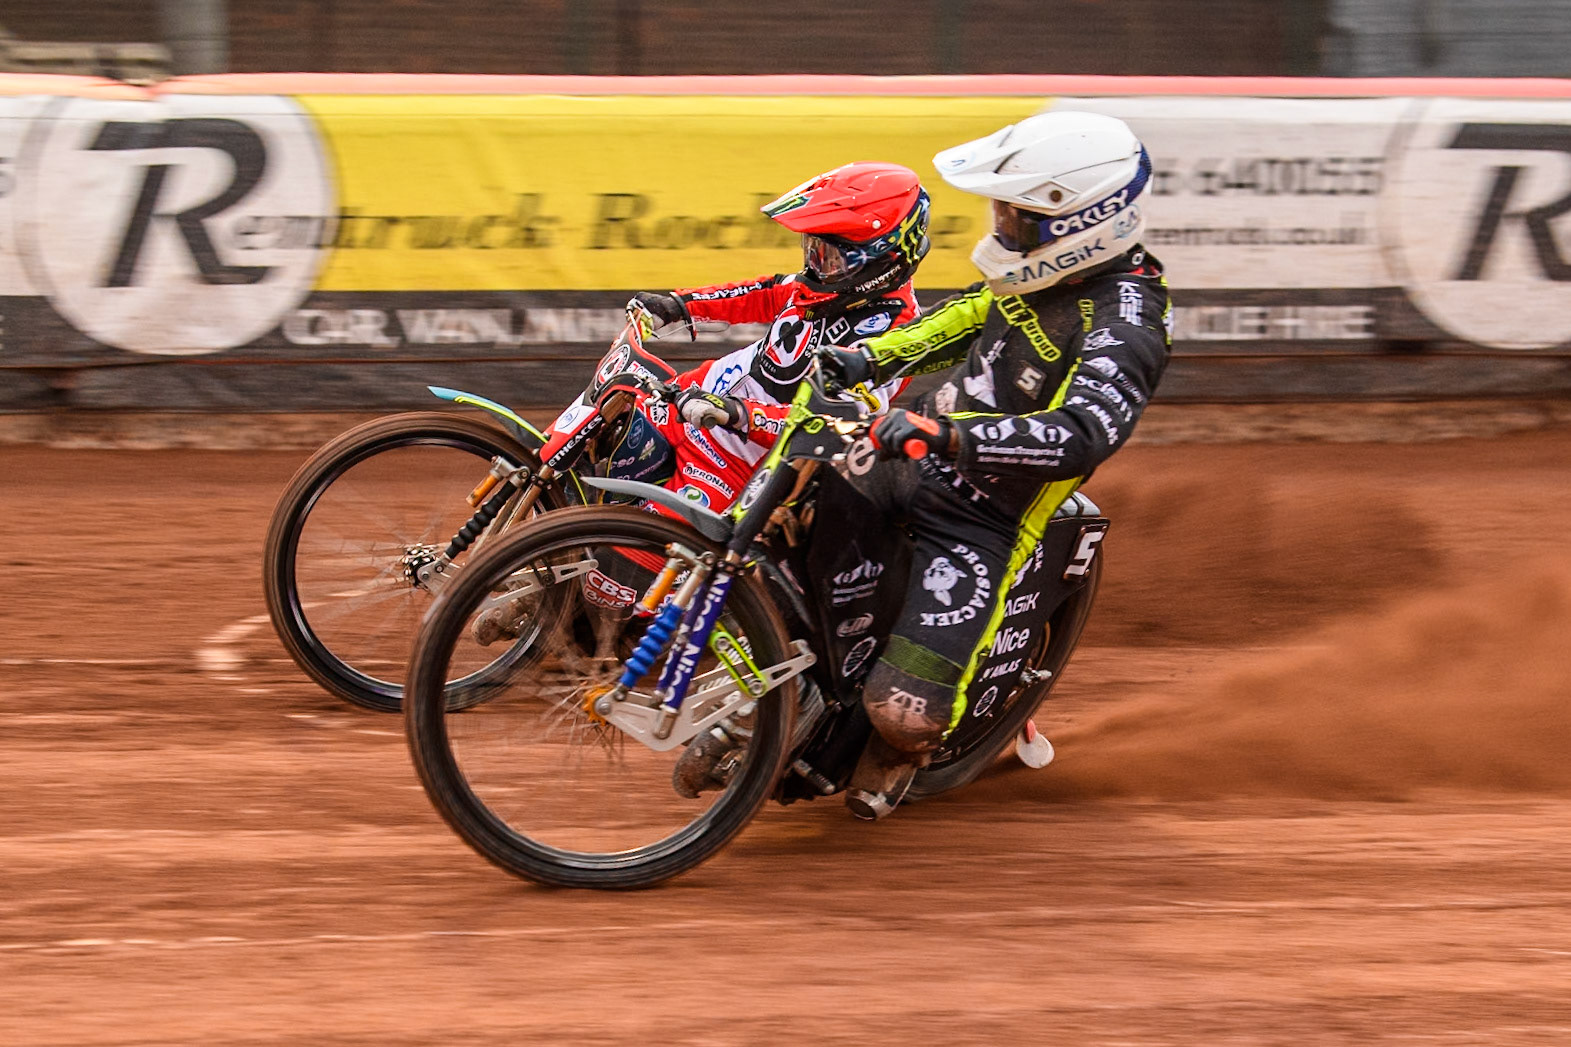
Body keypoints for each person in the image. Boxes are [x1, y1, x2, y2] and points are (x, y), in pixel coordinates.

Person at [815, 111, 1173, 820]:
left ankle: (899, 753)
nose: (1001, 226)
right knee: (787, 515)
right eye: (1002, 211)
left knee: (904, 710)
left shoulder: (1127, 320)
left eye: (1016, 216)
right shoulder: (1038, 270)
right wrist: (867, 358)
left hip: (983, 516)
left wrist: (950, 437)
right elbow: (967, 316)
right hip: (906, 448)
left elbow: (1082, 434)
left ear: (1081, 221)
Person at [603, 161, 931, 512]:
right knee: (589, 443)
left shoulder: (895, 338)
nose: (817, 264)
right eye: (814, 249)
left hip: (735, 464)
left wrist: (737, 413)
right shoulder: (825, 286)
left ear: (882, 259)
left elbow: (830, 426)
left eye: (831, 257)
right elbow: (764, 293)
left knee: (636, 538)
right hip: (686, 398)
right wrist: (679, 305)